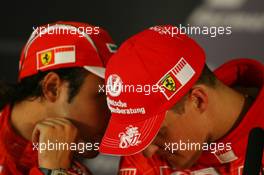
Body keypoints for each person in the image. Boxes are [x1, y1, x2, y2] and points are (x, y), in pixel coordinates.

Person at [99, 25, 264, 174]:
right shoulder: (143, 160)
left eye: (158, 132)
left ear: (198, 100)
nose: (147, 152)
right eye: (139, 135)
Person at [0, 21, 117, 175]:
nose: (115, 116)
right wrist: (52, 171)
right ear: (52, 88)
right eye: (105, 98)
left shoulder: (69, 164)